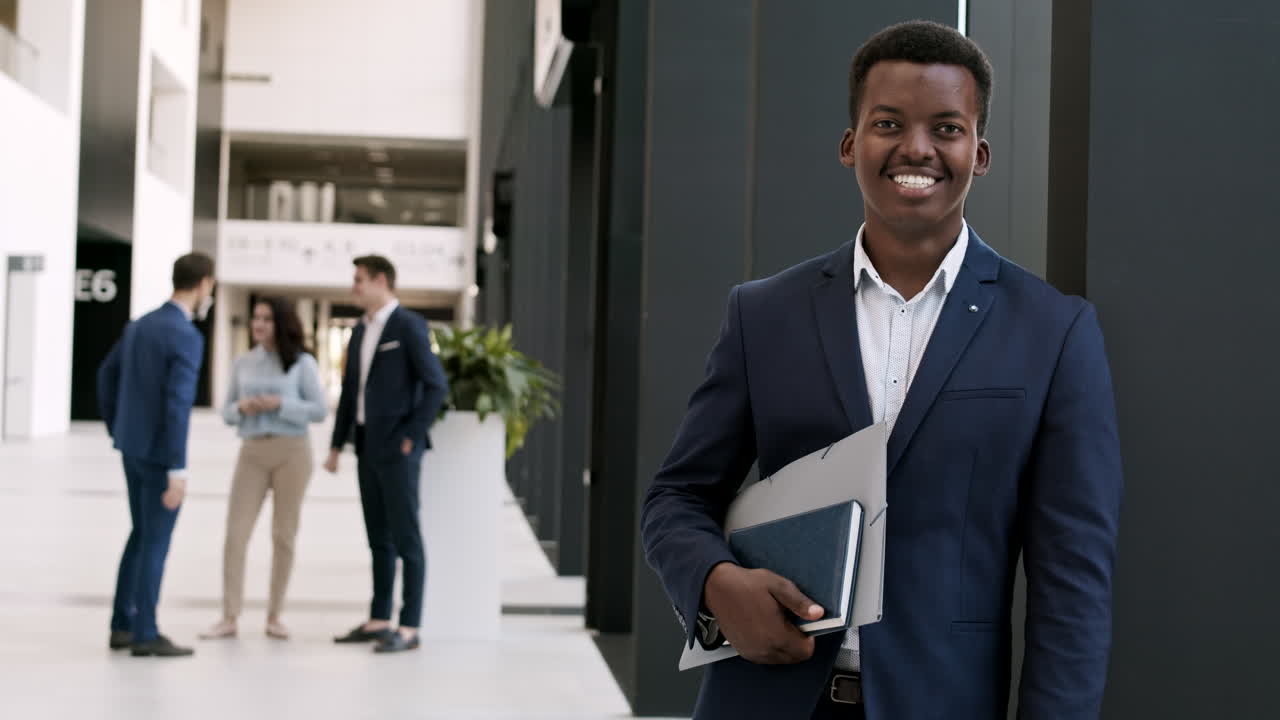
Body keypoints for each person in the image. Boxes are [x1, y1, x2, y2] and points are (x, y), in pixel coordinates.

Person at [640, 20, 1123, 720]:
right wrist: (715, 583)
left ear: (979, 154)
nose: (916, 149)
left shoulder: (1054, 333)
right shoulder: (764, 315)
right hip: (763, 698)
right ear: (850, 144)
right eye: (888, 123)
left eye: (946, 128)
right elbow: (676, 498)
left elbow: (1073, 582)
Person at [324, 255, 449, 653]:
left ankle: (409, 626)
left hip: (399, 448)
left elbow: (435, 385)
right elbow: (351, 392)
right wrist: (335, 445)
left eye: (359, 280)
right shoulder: (361, 330)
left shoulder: (408, 325)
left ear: (382, 281)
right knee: (378, 537)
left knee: (406, 538)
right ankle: (379, 619)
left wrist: (412, 435)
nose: (354, 287)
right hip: (366, 445)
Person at [99, 252, 216, 658]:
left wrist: (119, 427)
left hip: (132, 448)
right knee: (155, 541)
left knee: (140, 533)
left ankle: (122, 624)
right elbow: (177, 406)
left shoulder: (140, 326)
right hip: (159, 455)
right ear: (203, 284)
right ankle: (145, 631)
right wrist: (177, 469)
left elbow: (105, 376)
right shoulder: (185, 335)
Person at [200, 297, 326, 642]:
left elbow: (319, 410)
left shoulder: (301, 363)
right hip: (252, 451)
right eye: (256, 318)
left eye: (267, 319)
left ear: (281, 323)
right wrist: (242, 407)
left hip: (292, 453)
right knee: (235, 534)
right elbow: (225, 412)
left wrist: (280, 404)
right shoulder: (242, 364)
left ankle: (275, 615)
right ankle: (229, 615)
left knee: (283, 535)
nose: (259, 325)